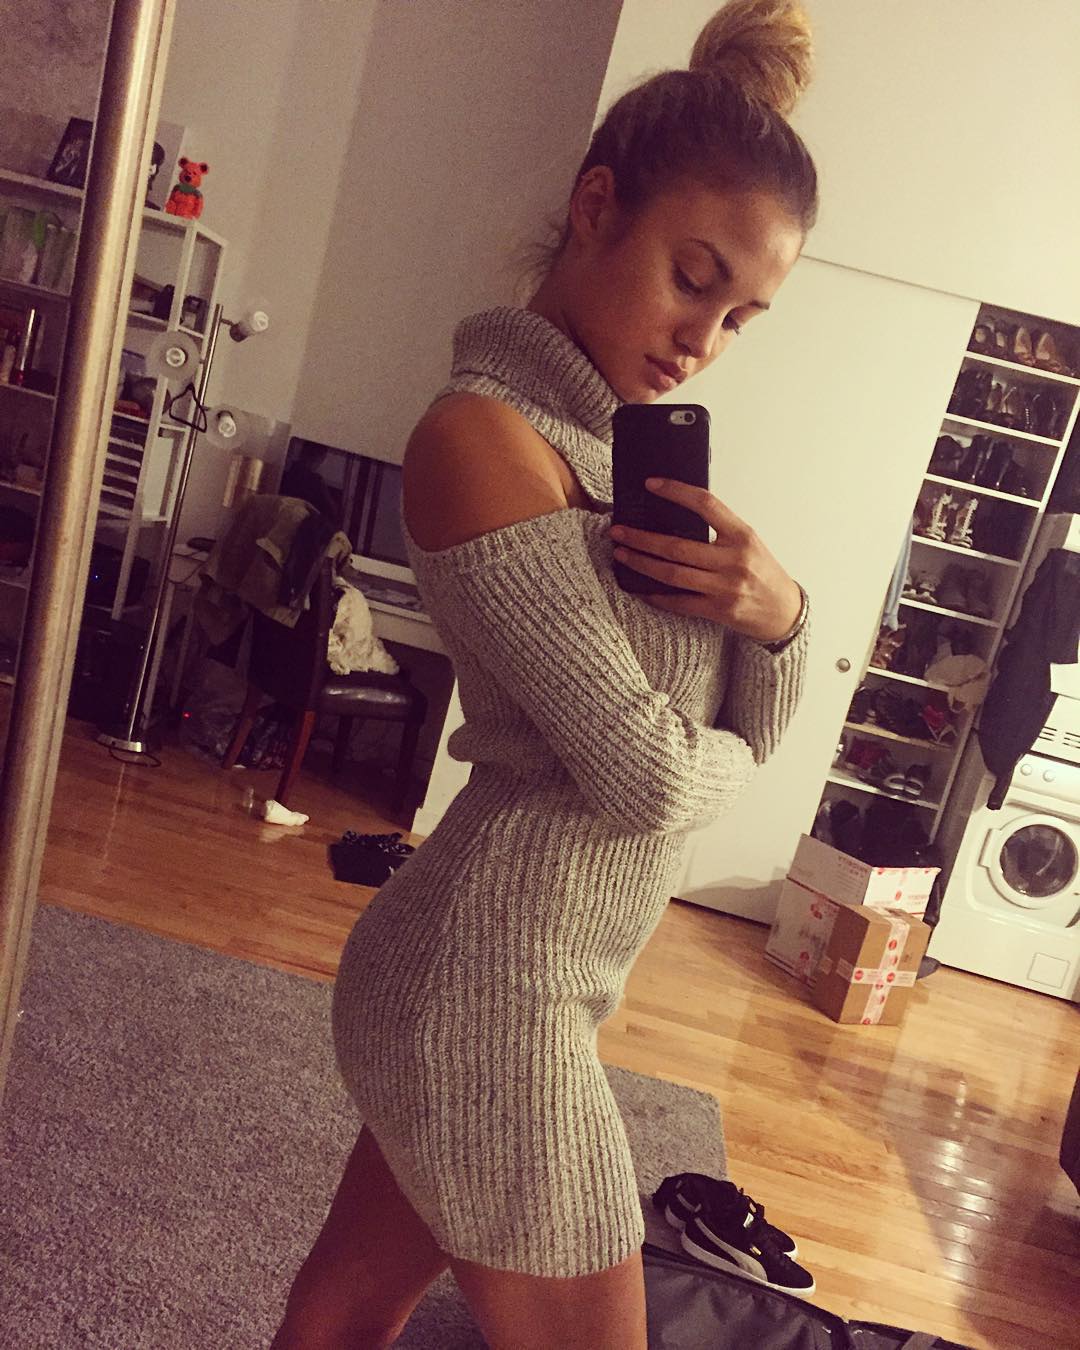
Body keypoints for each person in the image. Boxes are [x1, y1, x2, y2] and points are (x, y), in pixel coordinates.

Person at [271, 1, 818, 1346]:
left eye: (741, 316)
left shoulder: (609, 456)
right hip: (489, 988)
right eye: (692, 278)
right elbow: (653, 779)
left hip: (529, 978)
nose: (702, 340)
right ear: (595, 208)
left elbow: (739, 716)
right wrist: (733, 751)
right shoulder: (482, 438)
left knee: (342, 1316)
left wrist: (781, 610)